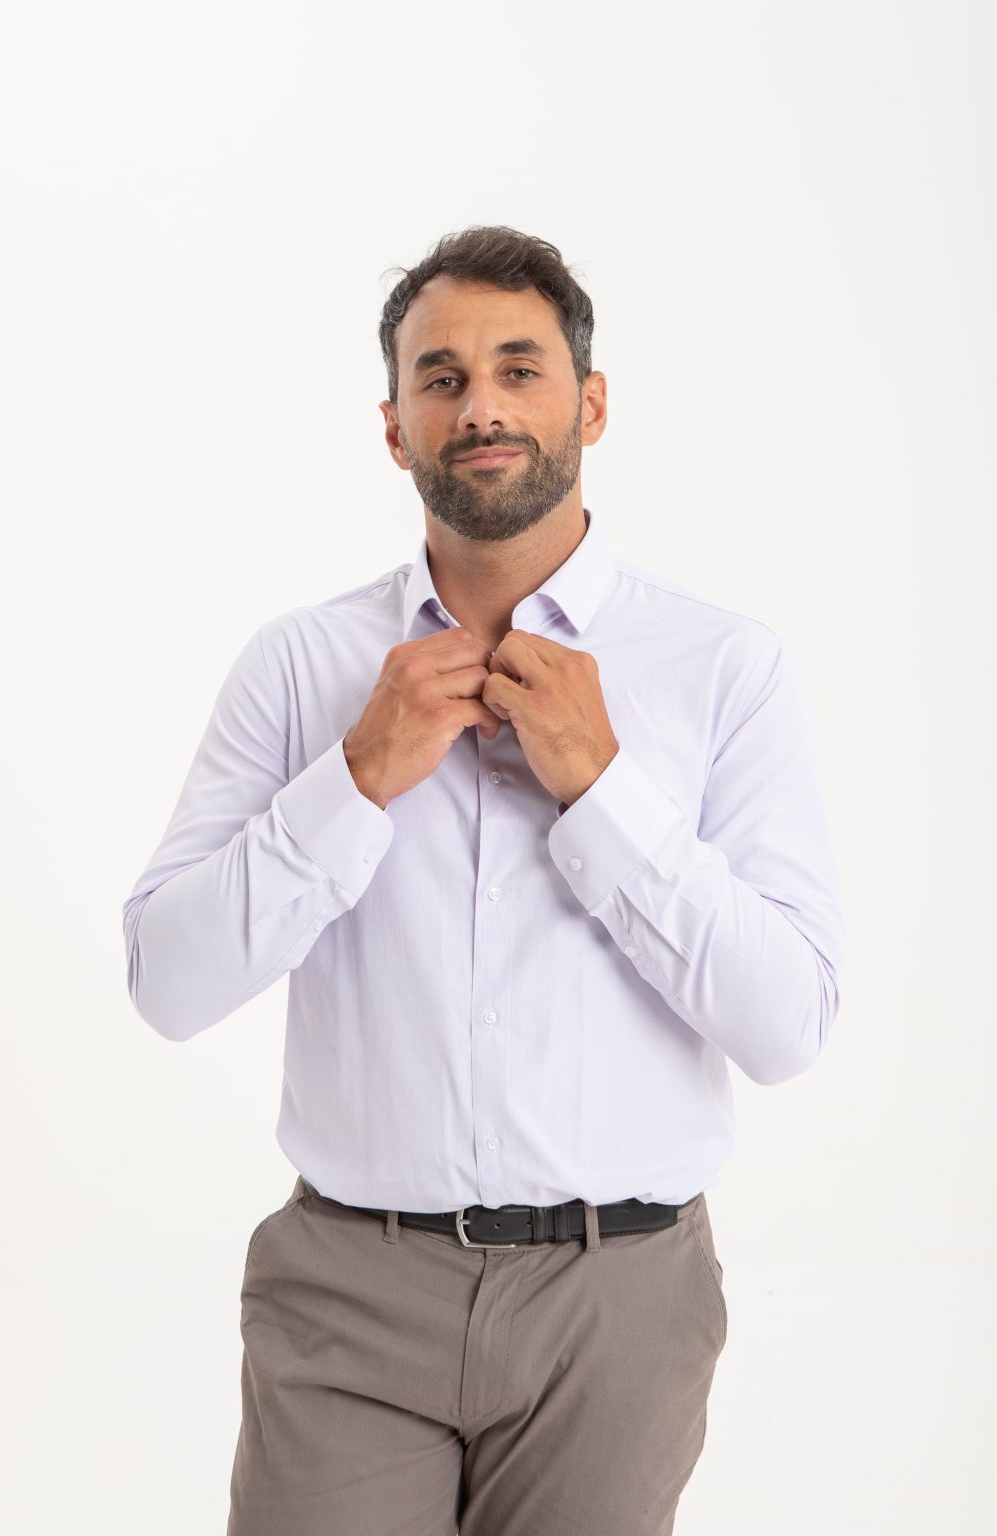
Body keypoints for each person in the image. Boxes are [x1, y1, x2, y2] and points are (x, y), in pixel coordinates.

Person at [121, 223, 845, 1536]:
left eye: (520, 368)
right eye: (441, 378)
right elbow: (168, 983)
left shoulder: (725, 668)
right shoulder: (301, 667)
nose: (481, 407)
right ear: (394, 428)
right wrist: (354, 780)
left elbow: (788, 1023)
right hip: (349, 1288)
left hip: (619, 1299)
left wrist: (602, 790)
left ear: (591, 404)